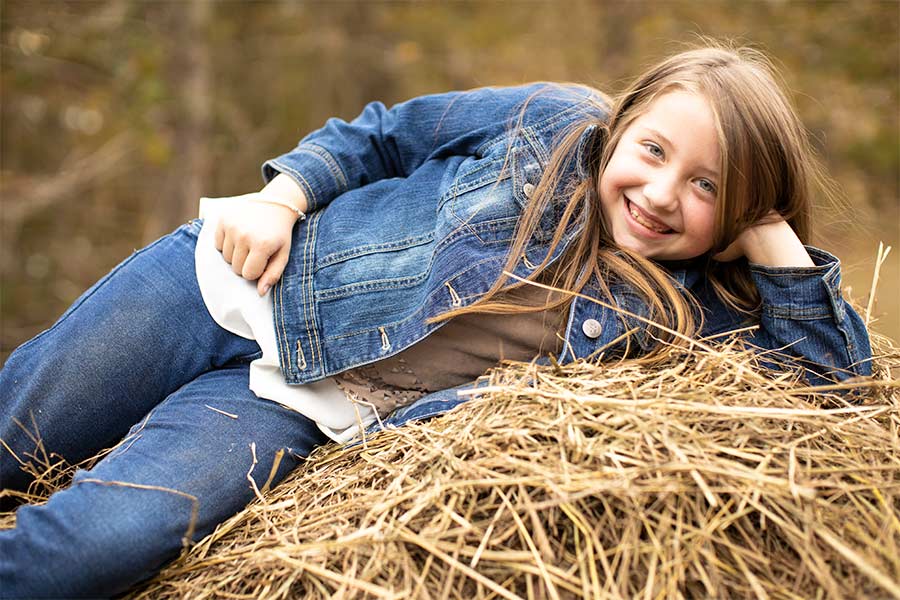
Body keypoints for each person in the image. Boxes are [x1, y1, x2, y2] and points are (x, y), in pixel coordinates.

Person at [0, 43, 872, 597]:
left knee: (101, 546)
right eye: (653, 151)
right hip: (238, 284)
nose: (660, 193)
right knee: (15, 436)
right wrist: (279, 198)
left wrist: (771, 235)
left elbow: (832, 390)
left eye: (709, 186)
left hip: (297, 406)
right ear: (623, 125)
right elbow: (384, 135)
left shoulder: (694, 310)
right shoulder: (552, 120)